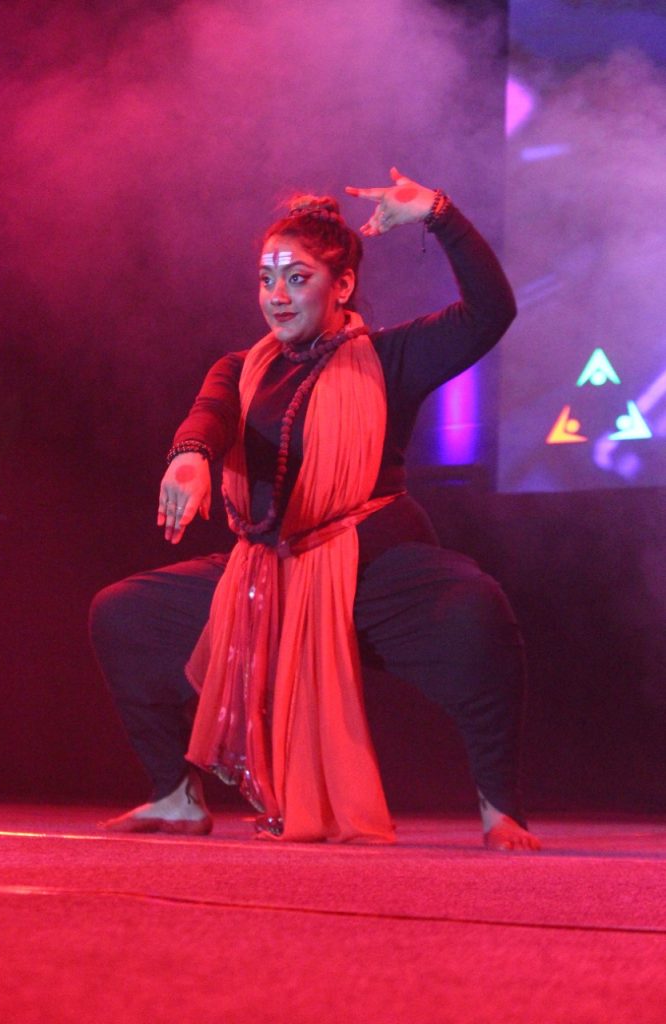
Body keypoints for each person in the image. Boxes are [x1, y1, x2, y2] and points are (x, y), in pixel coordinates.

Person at [90, 167, 541, 851]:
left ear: (343, 285)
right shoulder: (240, 368)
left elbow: (491, 313)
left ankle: (498, 806)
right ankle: (175, 795)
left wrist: (439, 214)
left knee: (475, 611)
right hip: (264, 573)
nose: (277, 296)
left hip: (371, 572)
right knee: (124, 612)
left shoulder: (390, 358)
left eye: (297, 278)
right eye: (266, 279)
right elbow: (210, 415)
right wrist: (190, 455)